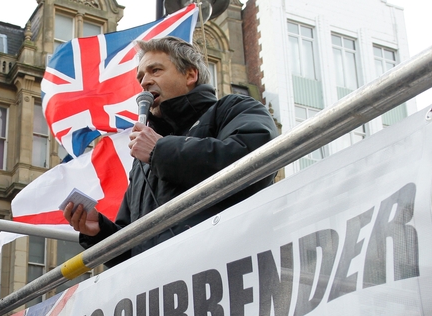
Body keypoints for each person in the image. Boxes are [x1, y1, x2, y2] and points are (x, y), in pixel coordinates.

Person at [64, 36, 279, 267]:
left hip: (223, 273)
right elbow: (134, 247)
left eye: (155, 70)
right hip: (161, 290)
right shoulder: (142, 160)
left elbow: (256, 159)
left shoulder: (233, 109)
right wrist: (99, 231)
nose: (145, 81)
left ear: (190, 75)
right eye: (141, 76)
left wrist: (160, 151)